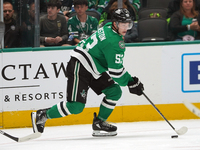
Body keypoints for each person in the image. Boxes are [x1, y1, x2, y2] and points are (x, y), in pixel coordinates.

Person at [31, 8, 144, 137]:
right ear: (115, 23)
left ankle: (99, 122)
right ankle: (43, 115)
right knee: (76, 107)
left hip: (93, 67)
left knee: (114, 91)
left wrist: (131, 81)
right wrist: (131, 82)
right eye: (122, 24)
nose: (125, 28)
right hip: (81, 65)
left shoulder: (108, 26)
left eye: (128, 25)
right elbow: (116, 72)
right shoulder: (114, 43)